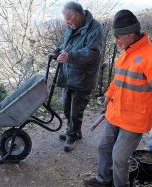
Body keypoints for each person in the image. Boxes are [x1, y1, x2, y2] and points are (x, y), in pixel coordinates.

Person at [83, 10, 152, 187]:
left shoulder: (149, 56)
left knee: (119, 158)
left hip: (134, 119)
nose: (117, 41)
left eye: (119, 37)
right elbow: (117, 80)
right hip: (115, 113)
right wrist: (108, 95)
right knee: (104, 148)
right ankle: (103, 180)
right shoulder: (125, 55)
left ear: (131, 34)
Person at [55, 1, 103, 152]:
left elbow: (93, 53)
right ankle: (75, 131)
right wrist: (58, 52)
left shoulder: (95, 28)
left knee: (76, 110)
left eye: (69, 19)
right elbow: (67, 46)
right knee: (66, 106)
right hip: (69, 74)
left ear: (79, 15)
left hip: (84, 77)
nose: (67, 23)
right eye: (66, 20)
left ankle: (72, 135)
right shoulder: (71, 26)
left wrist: (70, 57)